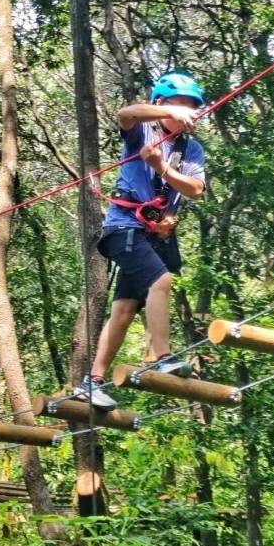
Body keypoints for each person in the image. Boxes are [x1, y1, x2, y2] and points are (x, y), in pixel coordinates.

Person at [77, 71, 206, 410]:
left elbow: (195, 189)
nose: (187, 111)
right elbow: (126, 114)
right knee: (160, 281)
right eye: (181, 104)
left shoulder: (191, 149)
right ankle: (163, 357)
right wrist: (168, 112)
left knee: (124, 309)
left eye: (191, 106)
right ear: (161, 103)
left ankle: (92, 381)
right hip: (123, 227)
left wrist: (162, 168)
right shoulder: (143, 132)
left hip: (151, 235)